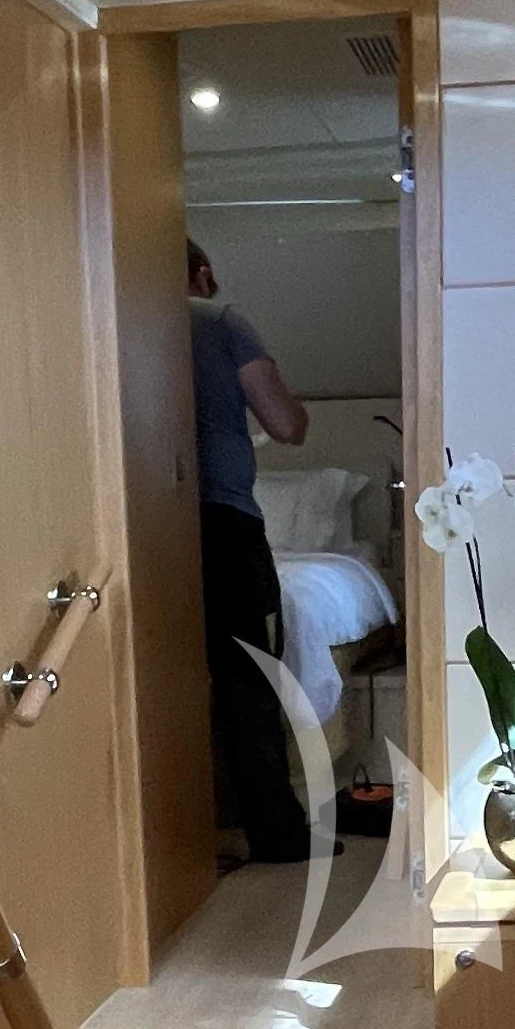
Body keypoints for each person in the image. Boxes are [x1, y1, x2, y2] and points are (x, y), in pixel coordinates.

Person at [187, 237, 309, 863]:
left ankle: (184, 840)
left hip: (146, 529)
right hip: (225, 527)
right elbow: (285, 425)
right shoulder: (223, 322)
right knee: (246, 679)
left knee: (170, 682)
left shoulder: (113, 322)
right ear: (203, 274)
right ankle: (276, 835)